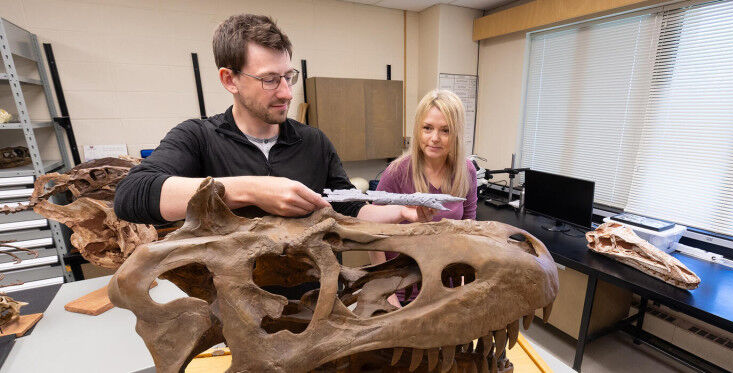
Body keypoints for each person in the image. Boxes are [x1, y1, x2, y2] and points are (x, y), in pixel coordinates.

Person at [113, 15, 428, 298]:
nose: (286, 93)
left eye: (288, 76)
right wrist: (251, 189)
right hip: (236, 318)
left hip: (316, 309)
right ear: (229, 79)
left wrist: (394, 213)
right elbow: (133, 195)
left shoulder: (314, 142)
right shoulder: (198, 137)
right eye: (269, 80)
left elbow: (345, 207)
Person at [372, 89, 478, 306]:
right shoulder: (397, 172)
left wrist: (464, 284)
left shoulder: (466, 171)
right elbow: (372, 234)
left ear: (456, 133)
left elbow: (469, 230)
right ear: (418, 129)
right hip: (401, 287)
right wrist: (386, 291)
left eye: (445, 130)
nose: (434, 138)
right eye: (427, 128)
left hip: (446, 285)